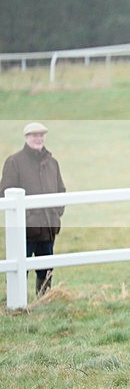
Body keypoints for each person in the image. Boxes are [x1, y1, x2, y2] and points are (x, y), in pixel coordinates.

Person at [0, 122, 66, 296]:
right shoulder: (14, 162)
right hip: (25, 229)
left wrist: (56, 212)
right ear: (26, 137)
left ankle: (43, 301)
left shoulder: (52, 162)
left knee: (46, 269)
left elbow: (61, 190)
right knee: (20, 268)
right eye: (34, 135)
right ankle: (16, 302)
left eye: (41, 135)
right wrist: (26, 217)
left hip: (48, 228)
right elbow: (4, 192)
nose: (38, 138)